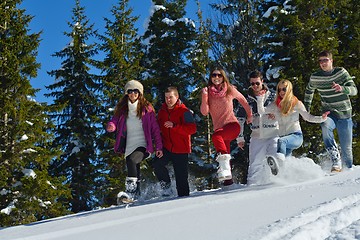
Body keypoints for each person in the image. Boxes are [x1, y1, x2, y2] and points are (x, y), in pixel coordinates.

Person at [106, 80, 163, 204]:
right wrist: (111, 125)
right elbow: (114, 120)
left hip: (144, 145)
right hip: (129, 145)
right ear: (127, 93)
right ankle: (136, 197)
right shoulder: (122, 109)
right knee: (133, 166)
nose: (133, 94)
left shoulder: (147, 109)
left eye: (135, 91)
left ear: (140, 93)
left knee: (132, 160)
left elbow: (155, 129)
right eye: (130, 91)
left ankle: (130, 192)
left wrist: (158, 147)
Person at [257, 79, 329, 175]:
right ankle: (285, 177)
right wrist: (260, 98)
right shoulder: (275, 105)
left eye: (284, 89)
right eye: (280, 90)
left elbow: (308, 117)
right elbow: (262, 111)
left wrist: (322, 118)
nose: (281, 92)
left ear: (289, 90)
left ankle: (279, 162)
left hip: (296, 136)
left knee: (281, 142)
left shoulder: (296, 103)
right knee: (285, 161)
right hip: (284, 139)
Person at [304, 50, 358, 172]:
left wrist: (343, 88)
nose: (323, 63)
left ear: (331, 61)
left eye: (325, 60)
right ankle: (335, 160)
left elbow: (354, 90)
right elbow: (309, 91)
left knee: (347, 148)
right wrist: (306, 109)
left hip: (345, 114)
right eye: (320, 61)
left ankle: (348, 171)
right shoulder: (315, 77)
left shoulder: (341, 73)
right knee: (325, 124)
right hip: (329, 113)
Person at [200, 66, 252, 185]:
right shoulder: (208, 92)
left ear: (223, 77)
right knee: (225, 157)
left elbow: (243, 100)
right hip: (221, 130)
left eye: (219, 75)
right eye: (214, 75)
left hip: (232, 126)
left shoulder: (229, 89)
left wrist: (249, 115)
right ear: (211, 77)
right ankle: (229, 184)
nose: (216, 77)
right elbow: (204, 112)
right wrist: (204, 97)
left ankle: (225, 168)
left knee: (216, 137)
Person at [152, 87, 197, 197]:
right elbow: (157, 129)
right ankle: (167, 189)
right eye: (166, 97)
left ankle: (183, 201)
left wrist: (175, 126)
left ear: (177, 97)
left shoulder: (184, 111)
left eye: (171, 97)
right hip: (166, 147)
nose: (168, 100)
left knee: (181, 178)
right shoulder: (162, 112)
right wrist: (158, 147)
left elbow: (192, 129)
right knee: (157, 164)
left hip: (181, 149)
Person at [237, 70, 280, 184]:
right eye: (252, 84)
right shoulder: (247, 100)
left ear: (262, 81)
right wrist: (240, 138)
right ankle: (252, 186)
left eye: (257, 83)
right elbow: (240, 119)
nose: (255, 86)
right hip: (256, 135)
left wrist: (275, 114)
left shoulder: (273, 96)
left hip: (273, 133)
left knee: (275, 156)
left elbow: (283, 111)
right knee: (255, 163)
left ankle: (278, 181)